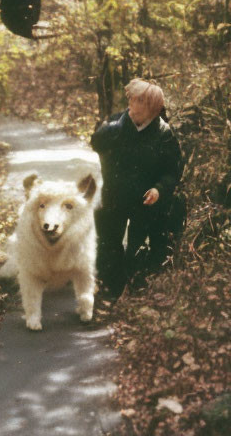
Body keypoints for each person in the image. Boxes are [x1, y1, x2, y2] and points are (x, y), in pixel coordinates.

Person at [90, 79, 184, 299]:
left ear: (151, 107)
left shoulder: (163, 133)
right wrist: (113, 129)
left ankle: (136, 287)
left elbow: (173, 170)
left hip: (144, 199)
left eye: (138, 101)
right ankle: (107, 293)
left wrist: (159, 189)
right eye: (131, 99)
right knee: (108, 244)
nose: (131, 104)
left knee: (138, 245)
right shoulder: (117, 123)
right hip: (114, 195)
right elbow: (96, 143)